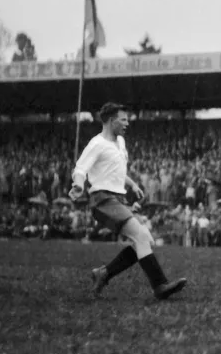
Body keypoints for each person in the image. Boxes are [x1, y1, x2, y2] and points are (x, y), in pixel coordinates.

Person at [72, 103, 187, 300]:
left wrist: (133, 185)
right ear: (110, 120)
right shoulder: (96, 144)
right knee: (141, 237)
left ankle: (104, 273)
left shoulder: (121, 142)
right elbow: (80, 169)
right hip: (103, 198)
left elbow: (116, 171)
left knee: (144, 241)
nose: (127, 123)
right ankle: (160, 286)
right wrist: (78, 185)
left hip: (118, 198)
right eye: (123, 119)